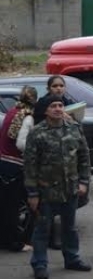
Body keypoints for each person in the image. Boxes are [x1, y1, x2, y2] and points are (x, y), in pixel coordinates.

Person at [23, 96, 92, 279]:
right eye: (53, 106)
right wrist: (32, 193)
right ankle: (39, 264)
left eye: (60, 105)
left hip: (70, 189)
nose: (58, 109)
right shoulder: (37, 133)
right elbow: (30, 166)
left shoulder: (74, 128)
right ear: (45, 111)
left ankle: (72, 258)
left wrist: (84, 182)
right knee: (42, 229)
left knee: (70, 228)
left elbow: (84, 157)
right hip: (46, 192)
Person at [0, 86, 38, 251]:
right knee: (14, 207)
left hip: (3, 162)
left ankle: (5, 240)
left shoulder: (12, 112)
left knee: (5, 206)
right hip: (14, 166)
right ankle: (16, 242)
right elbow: (21, 143)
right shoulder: (27, 117)